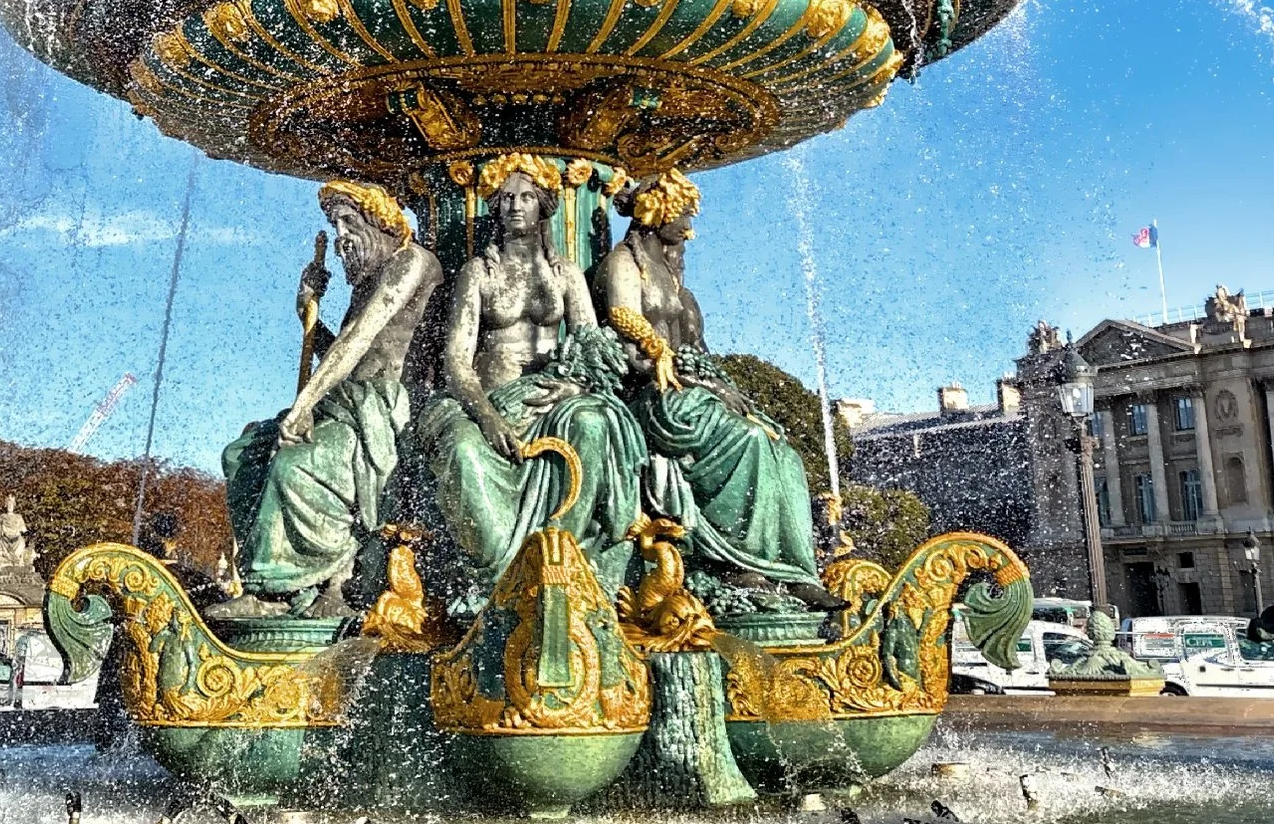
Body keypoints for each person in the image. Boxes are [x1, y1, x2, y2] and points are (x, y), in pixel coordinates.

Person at [413, 153, 646, 601]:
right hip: (489, 399)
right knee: (462, 450)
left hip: (551, 398)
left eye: (524, 197)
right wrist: (486, 417)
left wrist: (576, 385)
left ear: (543, 205)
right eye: (504, 199)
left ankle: (568, 558)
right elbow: (456, 362)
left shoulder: (567, 275)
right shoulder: (478, 272)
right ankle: (501, 577)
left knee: (594, 422)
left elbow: (594, 349)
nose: (513, 206)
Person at [593, 170, 823, 593]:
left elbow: (700, 353)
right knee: (748, 444)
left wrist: (721, 386)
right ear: (656, 211)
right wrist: (680, 368)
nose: (688, 227)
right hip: (648, 394)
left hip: (688, 391)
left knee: (780, 449)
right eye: (681, 214)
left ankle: (794, 572)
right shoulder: (624, 264)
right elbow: (624, 330)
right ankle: (740, 564)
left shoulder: (675, 278)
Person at [219, 182, 441, 616]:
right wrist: (306, 311)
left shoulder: (412, 261)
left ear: (380, 222)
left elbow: (359, 341)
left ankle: (283, 589)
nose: (340, 236)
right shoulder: (366, 280)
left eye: (348, 222)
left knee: (294, 464)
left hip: (383, 409)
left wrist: (303, 406)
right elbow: (342, 351)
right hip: (344, 400)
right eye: (334, 224)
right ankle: (275, 576)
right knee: (242, 453)